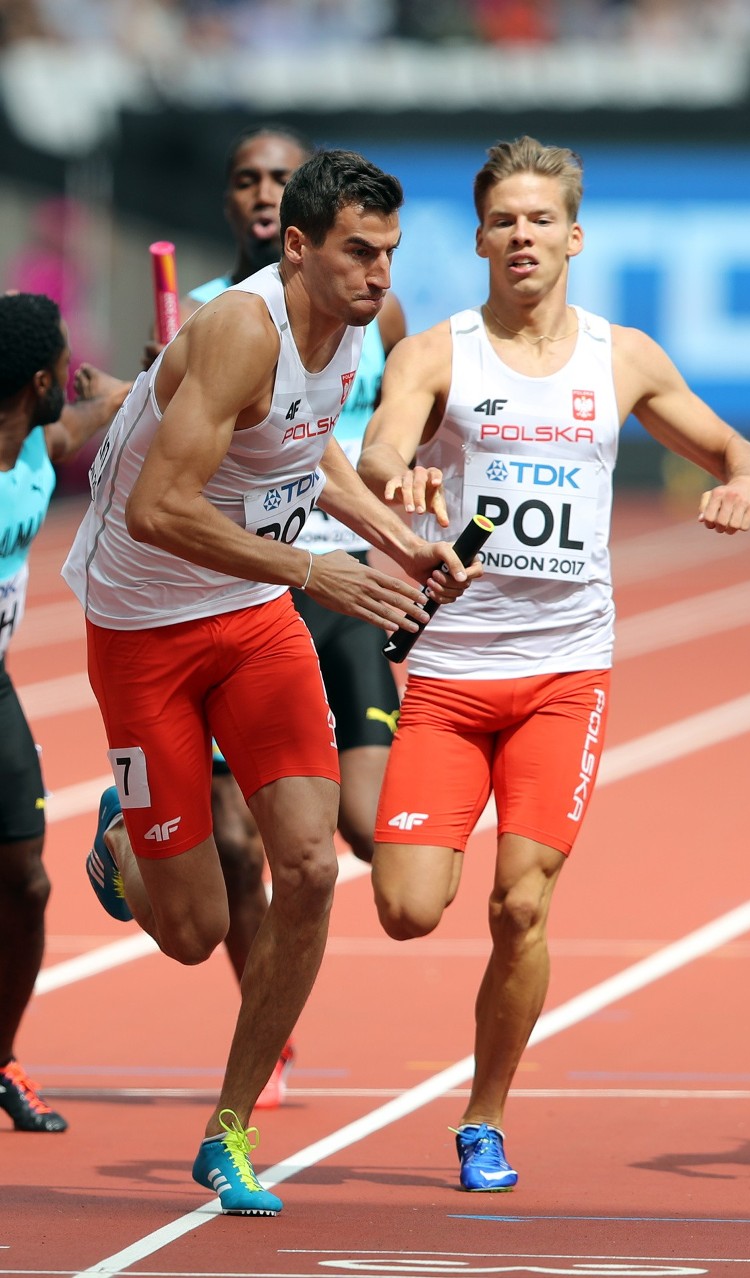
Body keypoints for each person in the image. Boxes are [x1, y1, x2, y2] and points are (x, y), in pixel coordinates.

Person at [62, 148, 480, 1216]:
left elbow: (310, 454)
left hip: (250, 624)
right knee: (197, 928)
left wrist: (398, 541)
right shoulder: (240, 329)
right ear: (296, 247)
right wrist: (312, 570)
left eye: (389, 253)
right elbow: (158, 507)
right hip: (145, 626)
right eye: (358, 252)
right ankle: (122, 840)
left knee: (307, 866)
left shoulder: (347, 328)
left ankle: (228, 1130)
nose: (380, 274)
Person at [357, 136, 750, 1194]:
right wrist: (403, 481)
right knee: (408, 908)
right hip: (451, 674)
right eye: (504, 220)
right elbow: (376, 451)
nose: (522, 236)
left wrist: (742, 487)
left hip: (564, 673)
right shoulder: (438, 353)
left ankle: (483, 1118)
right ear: (482, 237)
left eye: (541, 219)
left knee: (521, 907)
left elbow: (738, 450)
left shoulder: (621, 356)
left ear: (574, 236)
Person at [142, 124, 407, 1112]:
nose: (263, 191)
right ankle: (267, 1026)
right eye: (248, 180)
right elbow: (161, 482)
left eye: (280, 177)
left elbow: (372, 428)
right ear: (286, 233)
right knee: (234, 862)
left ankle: (246, 1080)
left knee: (364, 842)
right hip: (225, 586)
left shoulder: (363, 313)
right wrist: (147, 391)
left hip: (333, 584)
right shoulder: (221, 318)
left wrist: (398, 500)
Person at [0, 292, 128, 1133]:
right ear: (39, 378)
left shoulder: (41, 448)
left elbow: (102, 410)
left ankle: (0, 1057)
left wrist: (142, 377)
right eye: (64, 371)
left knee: (28, 883)